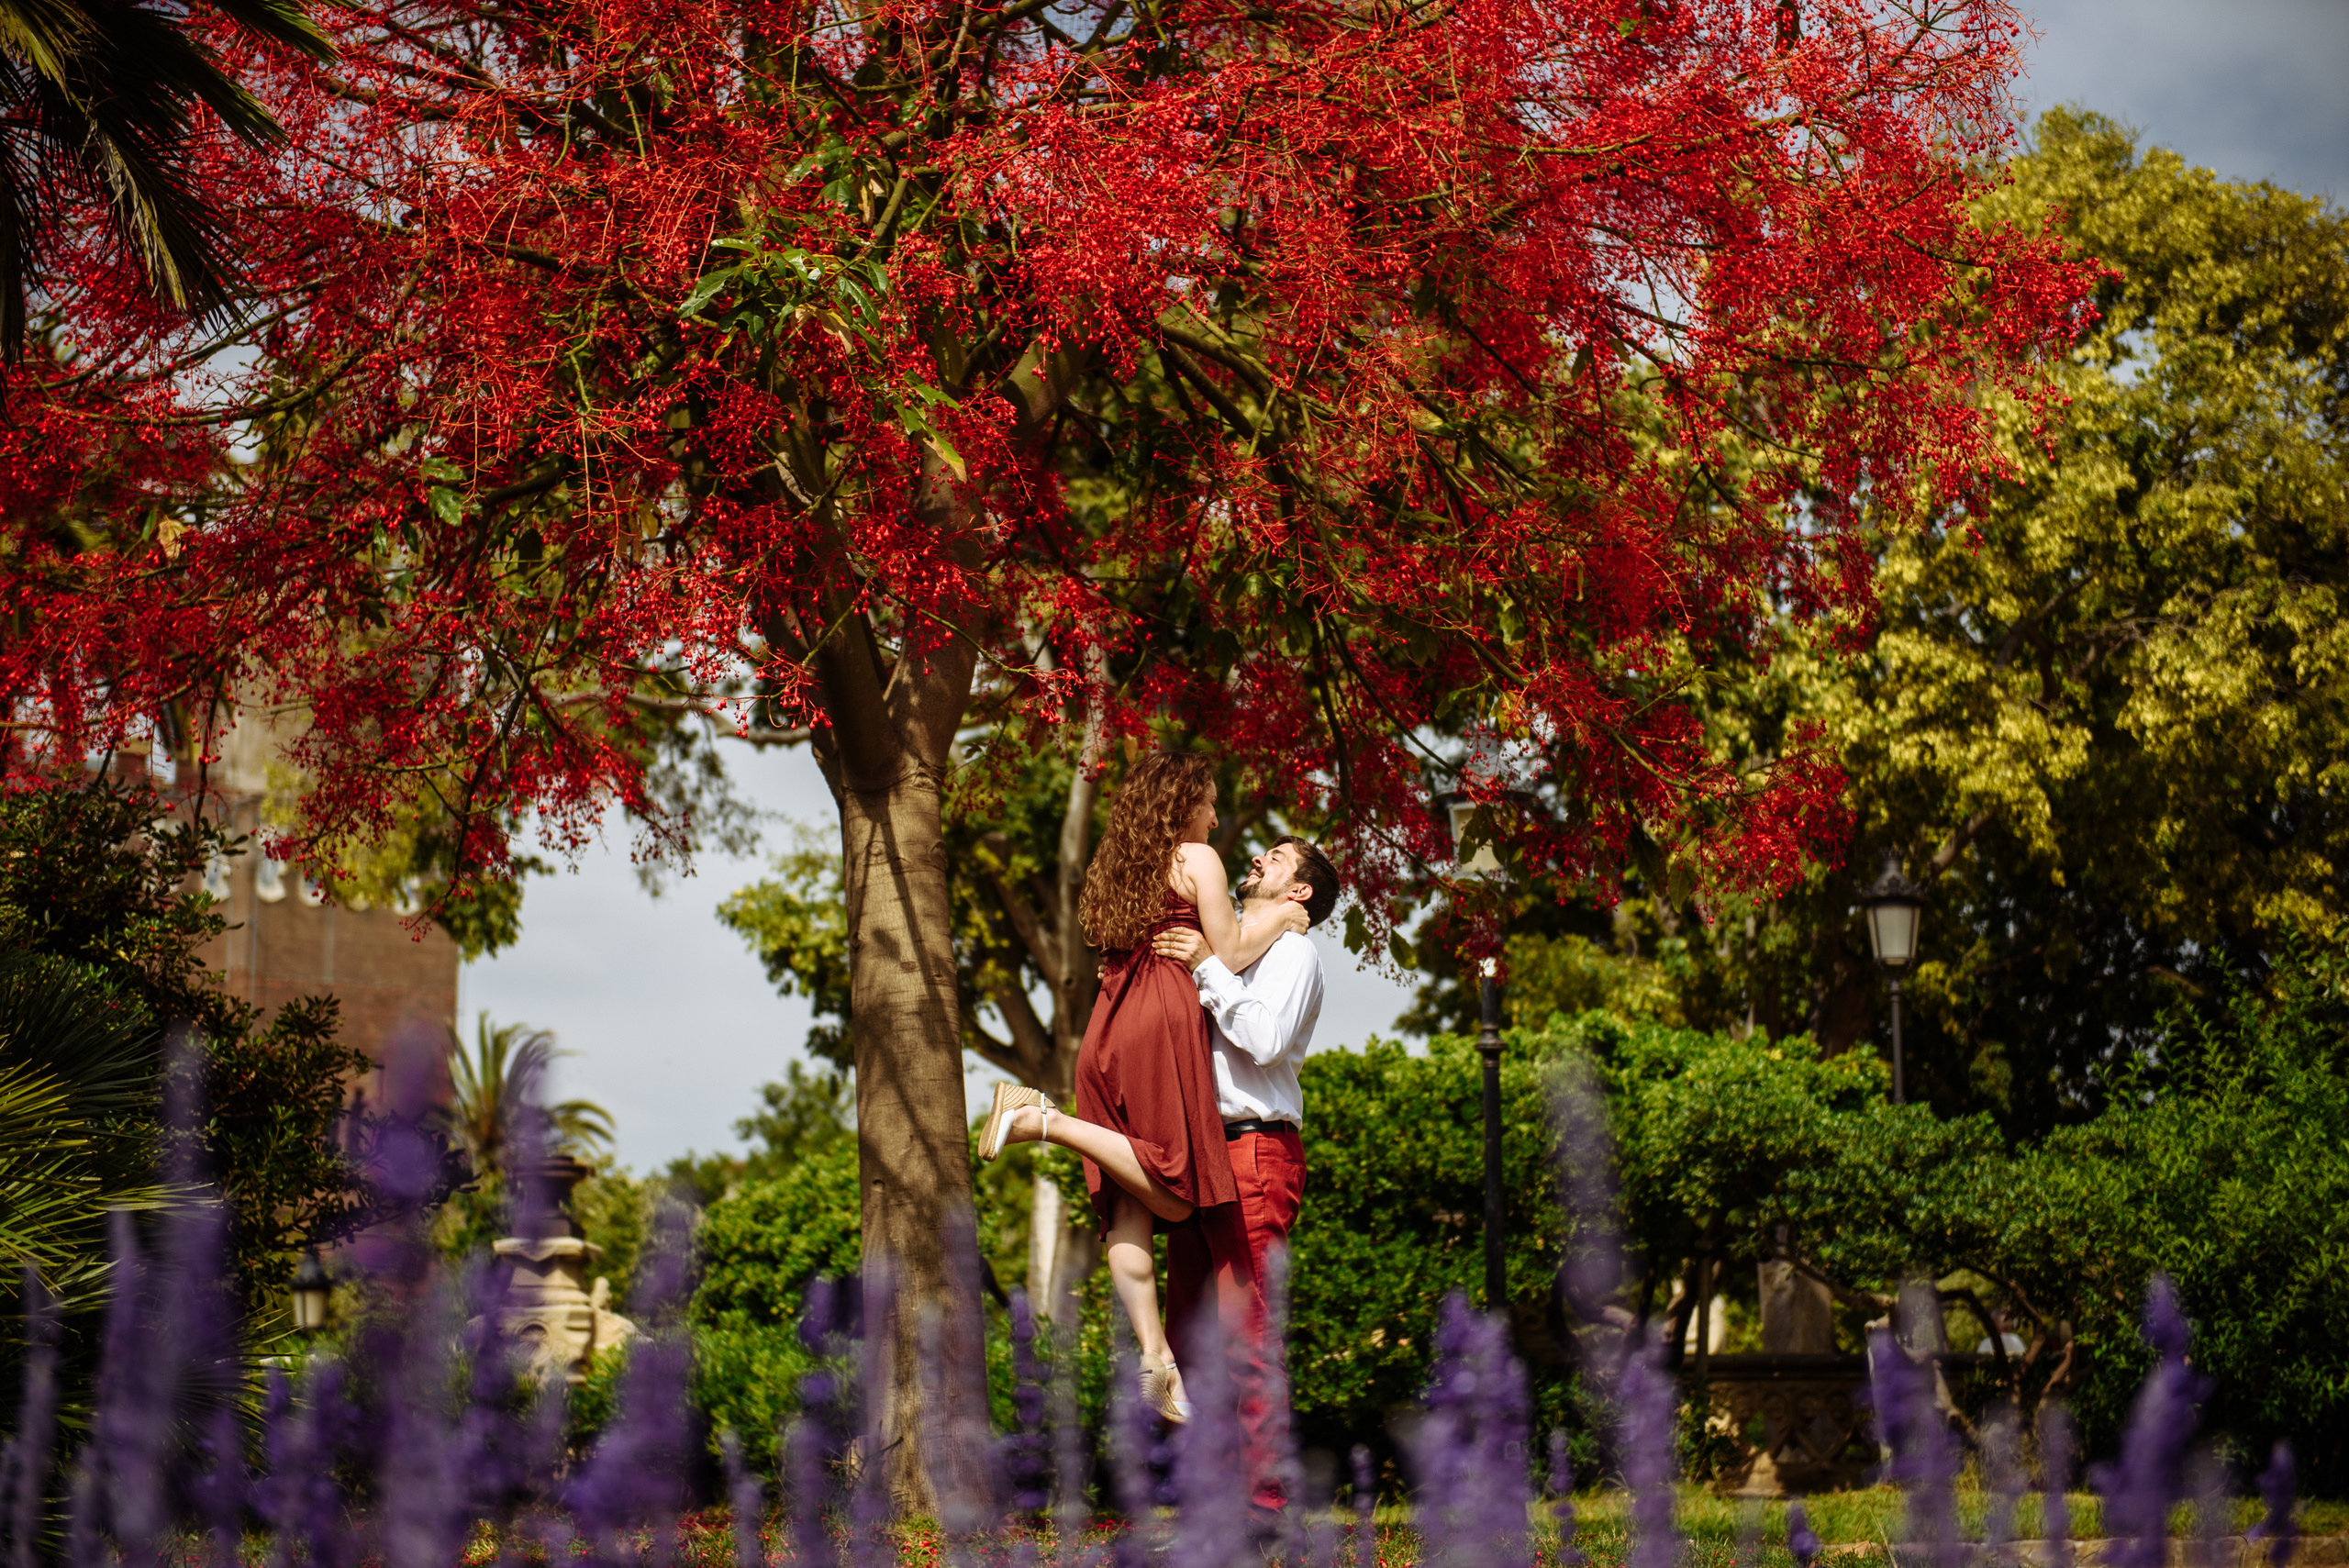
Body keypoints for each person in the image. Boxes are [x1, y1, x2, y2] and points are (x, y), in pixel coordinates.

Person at [974, 753, 1305, 1422]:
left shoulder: (1117, 862)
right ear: (1183, 800)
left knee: (1129, 1205)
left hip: (1109, 1022)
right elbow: (1232, 951)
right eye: (1210, 800)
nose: (1215, 815)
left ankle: (1156, 1359)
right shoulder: (1195, 857)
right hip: (1159, 1020)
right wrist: (1282, 921)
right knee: (1180, 1199)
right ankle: (1045, 1120)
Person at [1147, 834, 1338, 1518]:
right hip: (1201, 1155)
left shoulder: (1295, 953)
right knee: (1191, 1333)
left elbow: (1263, 1040)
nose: (1256, 857)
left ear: (1300, 892)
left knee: (1246, 1334)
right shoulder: (1238, 943)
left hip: (1255, 1152)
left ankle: (1266, 1508)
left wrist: (1206, 966)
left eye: (1277, 857)